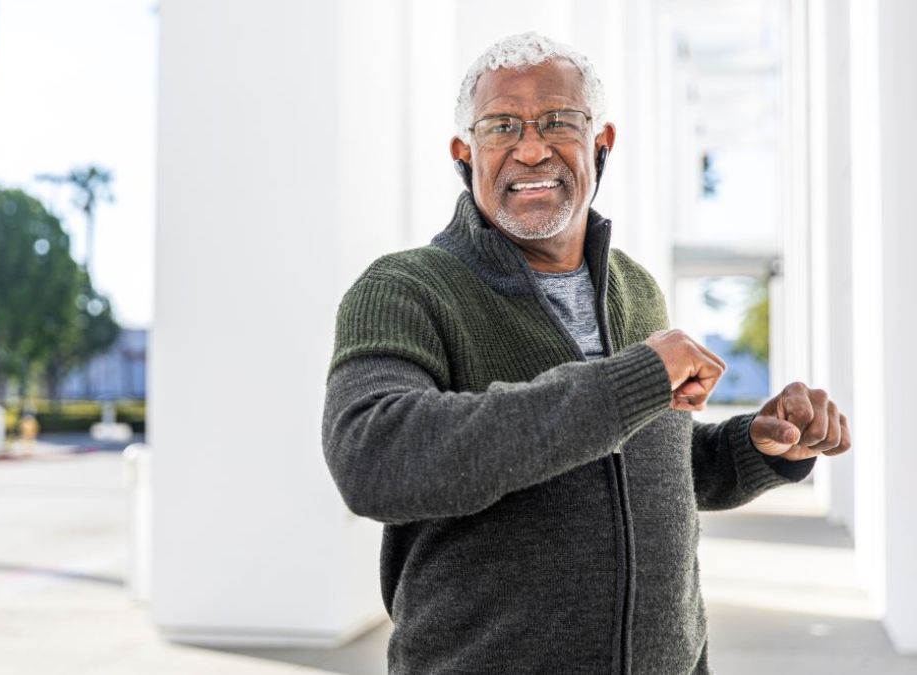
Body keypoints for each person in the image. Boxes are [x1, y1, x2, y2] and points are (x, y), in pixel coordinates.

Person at [321, 32, 851, 675]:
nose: (532, 147)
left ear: (601, 144)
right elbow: (376, 461)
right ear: (465, 154)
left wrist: (757, 447)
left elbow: (653, 468)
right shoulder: (405, 289)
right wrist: (626, 383)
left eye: (558, 121)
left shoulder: (634, 290)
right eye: (501, 126)